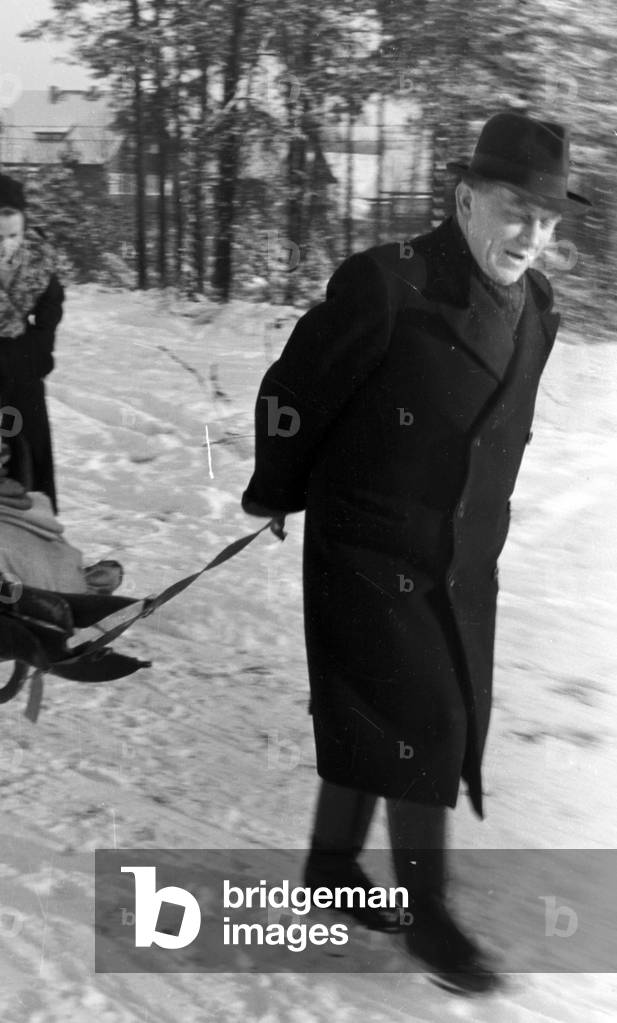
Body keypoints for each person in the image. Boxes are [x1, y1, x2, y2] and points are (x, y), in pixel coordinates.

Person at [242, 112, 590, 993]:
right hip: (367, 543)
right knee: (423, 723)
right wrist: (275, 486)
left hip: (464, 558)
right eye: (514, 211)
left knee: (382, 717)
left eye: (545, 219)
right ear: (465, 200)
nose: (530, 236)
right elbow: (295, 389)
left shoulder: (538, 311)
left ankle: (329, 867)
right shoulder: (388, 282)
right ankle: (424, 912)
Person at [0, 170, 64, 513]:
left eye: (13, 235)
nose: (5, 245)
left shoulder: (36, 262)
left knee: (33, 458)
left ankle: (40, 528)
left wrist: (40, 350)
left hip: (22, 371)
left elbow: (50, 304)